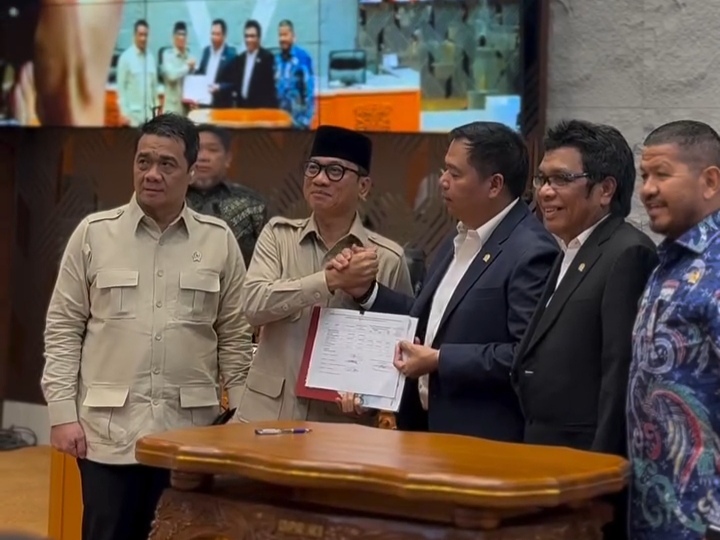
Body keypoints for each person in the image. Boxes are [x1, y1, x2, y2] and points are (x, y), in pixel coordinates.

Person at [41, 113, 253, 540]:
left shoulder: (218, 240)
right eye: (143, 161)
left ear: (191, 171)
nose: (152, 174)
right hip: (107, 435)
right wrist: (62, 414)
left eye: (167, 164)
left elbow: (234, 335)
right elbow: (64, 327)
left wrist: (242, 419)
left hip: (188, 434)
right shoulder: (93, 235)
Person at [330, 121, 559, 440]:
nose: (442, 182)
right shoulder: (460, 234)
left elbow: (526, 356)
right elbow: (429, 322)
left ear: (494, 184)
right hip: (423, 429)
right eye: (443, 170)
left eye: (455, 173)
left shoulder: (532, 252)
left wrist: (440, 360)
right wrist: (366, 292)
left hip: (480, 441)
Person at [512, 120, 657, 540]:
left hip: (584, 471)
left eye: (561, 179)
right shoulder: (572, 248)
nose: (544, 192)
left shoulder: (626, 252)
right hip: (546, 456)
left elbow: (620, 374)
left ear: (605, 190)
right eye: (542, 179)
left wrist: (598, 478)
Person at [235, 125, 413, 423]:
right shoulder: (278, 237)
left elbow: (402, 348)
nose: (319, 179)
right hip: (267, 417)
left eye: (335, 171)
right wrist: (330, 281)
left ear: (364, 187)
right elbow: (252, 306)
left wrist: (371, 398)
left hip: (341, 425)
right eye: (313, 168)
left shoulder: (387, 258)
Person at [629, 120, 720, 540]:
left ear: (710, 181)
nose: (647, 189)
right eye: (645, 176)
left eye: (662, 174)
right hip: (654, 514)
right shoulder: (672, 260)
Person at [186, 124, 270, 266]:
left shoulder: (253, 204)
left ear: (228, 158)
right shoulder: (168, 200)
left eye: (212, 150)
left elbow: (269, 261)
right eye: (196, 149)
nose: (203, 157)